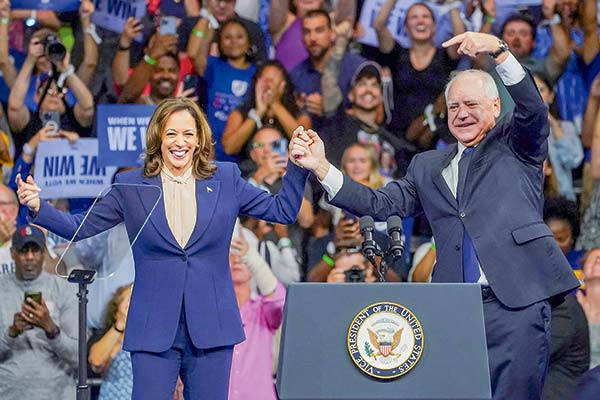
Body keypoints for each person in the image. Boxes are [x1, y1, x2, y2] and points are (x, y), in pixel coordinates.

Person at [290, 31, 580, 399]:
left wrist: (500, 52)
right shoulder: (427, 166)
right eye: (454, 106)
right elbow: (379, 204)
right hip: (454, 306)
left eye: (472, 104)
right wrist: (321, 167)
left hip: (517, 304)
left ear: (495, 107)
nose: (462, 113)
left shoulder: (516, 144)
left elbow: (533, 109)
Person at [16, 97, 310, 400]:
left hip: (212, 326)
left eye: (187, 134)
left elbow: (283, 211)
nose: (179, 142)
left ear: (199, 139)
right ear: (158, 137)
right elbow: (80, 227)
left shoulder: (226, 179)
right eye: (171, 134)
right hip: (153, 327)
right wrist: (39, 207)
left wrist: (297, 167)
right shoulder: (131, 186)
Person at [0, 225, 77, 400]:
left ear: (43, 253)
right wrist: (11, 333)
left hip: (56, 393)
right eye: (23, 251)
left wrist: (51, 329)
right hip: (9, 393)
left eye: (35, 250)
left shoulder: (64, 290)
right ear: (12, 253)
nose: (29, 257)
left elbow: (78, 357)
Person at [187, 17, 257, 161]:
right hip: (211, 151)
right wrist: (205, 17)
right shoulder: (213, 66)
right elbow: (193, 53)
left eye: (239, 36)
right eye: (227, 37)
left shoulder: (257, 74)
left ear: (249, 41)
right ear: (219, 43)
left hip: (244, 155)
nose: (234, 42)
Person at [227, 229, 285, 400]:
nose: (237, 259)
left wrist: (251, 256)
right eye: (230, 256)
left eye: (242, 257)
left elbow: (278, 299)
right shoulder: (211, 309)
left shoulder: (262, 309)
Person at [88, 285, 133, 400]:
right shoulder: (110, 338)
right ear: (115, 310)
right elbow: (96, 361)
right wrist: (120, 324)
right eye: (128, 299)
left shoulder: (150, 338)